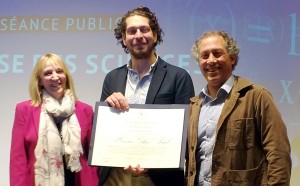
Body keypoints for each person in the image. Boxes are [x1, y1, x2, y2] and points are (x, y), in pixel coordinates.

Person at [99, 6, 195, 186]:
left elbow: (186, 132)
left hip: (158, 178)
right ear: (124, 39)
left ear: (155, 35)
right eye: (131, 31)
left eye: (144, 29)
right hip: (116, 176)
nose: (138, 36)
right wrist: (107, 111)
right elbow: (104, 130)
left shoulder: (179, 77)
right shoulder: (111, 78)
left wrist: (152, 160)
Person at [185, 30, 292, 185]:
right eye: (205, 55)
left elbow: (278, 153)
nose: (211, 60)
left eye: (217, 53)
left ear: (233, 58)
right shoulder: (194, 106)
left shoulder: (257, 96)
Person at [10, 53, 99, 186]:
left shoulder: (85, 110)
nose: (55, 77)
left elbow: (93, 159)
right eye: (47, 73)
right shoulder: (24, 110)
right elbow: (18, 159)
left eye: (59, 71)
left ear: (66, 76)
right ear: (39, 80)